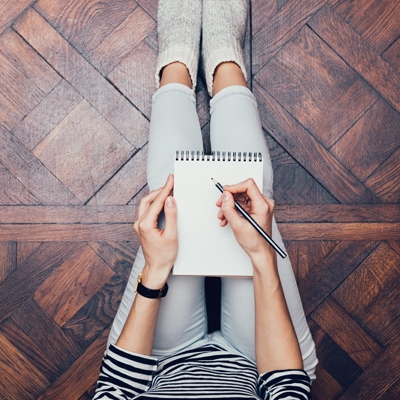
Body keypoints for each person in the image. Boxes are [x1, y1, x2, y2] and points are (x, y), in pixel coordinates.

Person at [92, 0, 317, 398]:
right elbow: (287, 385)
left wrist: (156, 271)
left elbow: (116, 387)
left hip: (158, 365)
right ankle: (224, 58)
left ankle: (177, 58)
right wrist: (261, 255)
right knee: (251, 196)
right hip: (260, 365)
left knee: (169, 197)